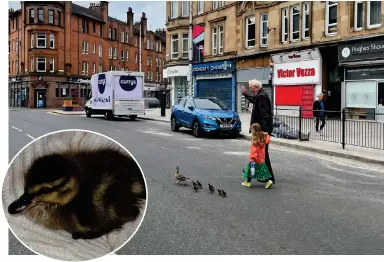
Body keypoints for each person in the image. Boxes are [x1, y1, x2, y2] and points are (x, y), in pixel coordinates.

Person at [241, 79, 275, 183]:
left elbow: (265, 114)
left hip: (262, 130)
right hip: (260, 129)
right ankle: (266, 176)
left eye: (251, 88)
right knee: (263, 154)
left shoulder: (261, 96)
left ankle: (269, 177)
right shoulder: (260, 94)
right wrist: (245, 93)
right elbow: (252, 99)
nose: (251, 89)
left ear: (256, 87)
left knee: (263, 154)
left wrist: (264, 130)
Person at [241, 123, 274, 189]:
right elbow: (268, 141)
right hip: (261, 159)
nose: (251, 131)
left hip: (255, 159)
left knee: (249, 170)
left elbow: (254, 150)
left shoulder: (254, 139)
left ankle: (247, 182)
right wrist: (267, 135)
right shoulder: (263, 138)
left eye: (252, 129)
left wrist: (252, 158)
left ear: (254, 130)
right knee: (263, 171)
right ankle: (268, 181)